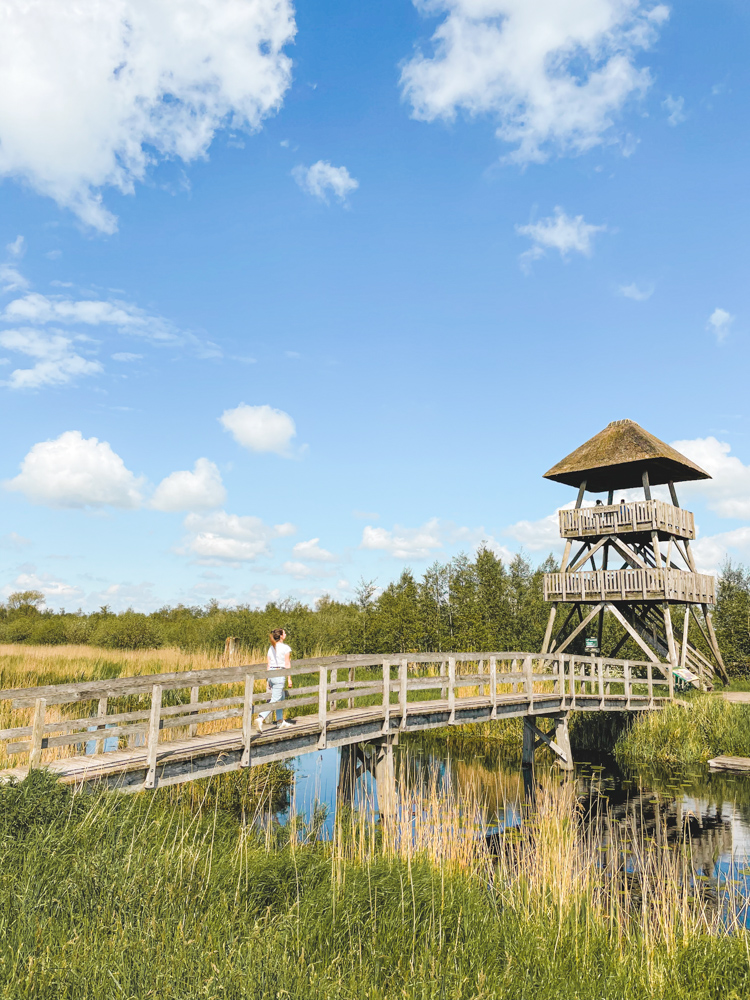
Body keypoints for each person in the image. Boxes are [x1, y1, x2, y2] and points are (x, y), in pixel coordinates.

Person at [257, 628, 294, 731]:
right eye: (284, 633)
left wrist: (268, 679)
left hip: (271, 674)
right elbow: (287, 664)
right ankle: (260, 718)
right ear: (281, 636)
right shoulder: (286, 648)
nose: (286, 634)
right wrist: (289, 678)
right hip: (279, 674)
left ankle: (280, 721)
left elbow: (269, 664)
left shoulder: (271, 648)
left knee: (280, 697)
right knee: (275, 699)